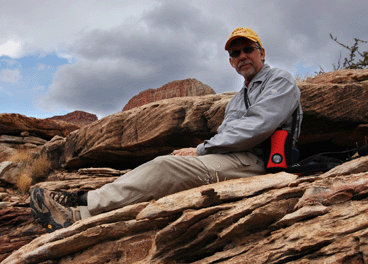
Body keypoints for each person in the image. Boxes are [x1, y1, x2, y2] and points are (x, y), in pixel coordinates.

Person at [30, 27, 303, 233]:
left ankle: (81, 214)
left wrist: (201, 150)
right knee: (167, 163)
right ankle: (83, 200)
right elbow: (228, 134)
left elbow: (259, 125)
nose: (242, 56)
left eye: (248, 49)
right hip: (235, 157)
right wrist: (200, 152)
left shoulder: (279, 79)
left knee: (165, 167)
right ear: (231, 61)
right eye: (235, 53)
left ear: (262, 53)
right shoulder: (236, 98)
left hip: (258, 161)